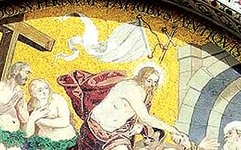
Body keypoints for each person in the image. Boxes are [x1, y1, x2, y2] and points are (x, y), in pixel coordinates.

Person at [58, 64, 188, 150]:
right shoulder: (130, 88)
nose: (152, 85)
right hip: (98, 127)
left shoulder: (144, 93)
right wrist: (172, 129)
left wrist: (138, 126)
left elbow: (137, 116)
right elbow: (145, 117)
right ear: (141, 77)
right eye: (149, 81)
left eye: (155, 82)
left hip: (117, 131)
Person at [24, 79, 77, 149]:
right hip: (43, 142)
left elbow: (64, 122)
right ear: (33, 93)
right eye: (40, 90)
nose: (44, 92)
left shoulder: (57, 99)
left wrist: (39, 120)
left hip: (63, 141)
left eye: (46, 88)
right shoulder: (31, 105)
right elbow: (28, 134)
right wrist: (32, 119)